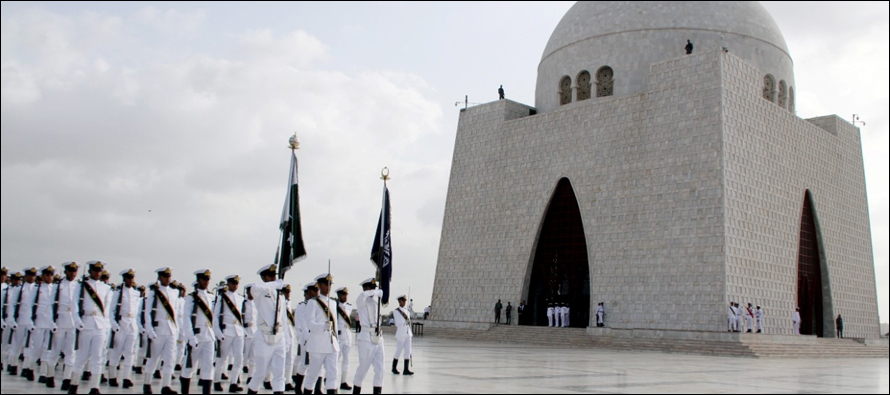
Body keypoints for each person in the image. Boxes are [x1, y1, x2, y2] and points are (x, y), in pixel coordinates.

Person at [69, 261, 113, 395]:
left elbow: (107, 308)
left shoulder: (106, 288)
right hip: (86, 323)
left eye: (100, 270)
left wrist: (106, 326)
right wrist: (77, 321)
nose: (98, 273)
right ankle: (74, 384)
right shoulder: (82, 286)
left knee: (98, 357)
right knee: (81, 356)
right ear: (90, 271)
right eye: (95, 270)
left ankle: (95, 387)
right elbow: (74, 304)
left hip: (100, 325)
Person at [247, 264, 288, 394]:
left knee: (279, 375)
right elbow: (254, 288)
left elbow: (284, 320)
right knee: (260, 373)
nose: (273, 278)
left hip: (279, 337)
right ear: (263, 277)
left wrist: (286, 340)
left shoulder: (280, 295)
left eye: (274, 276)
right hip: (263, 337)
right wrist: (274, 284)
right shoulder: (259, 291)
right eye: (270, 276)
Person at [143, 267, 181, 395]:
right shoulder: (154, 293)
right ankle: (147, 384)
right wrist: (149, 330)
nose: (167, 278)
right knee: (153, 358)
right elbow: (147, 313)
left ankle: (166, 385)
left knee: (170, 359)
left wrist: (177, 329)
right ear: (159, 277)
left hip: (171, 329)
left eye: (169, 276)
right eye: (164, 276)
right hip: (158, 329)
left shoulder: (174, 292)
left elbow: (175, 312)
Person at [180, 270, 216, 395]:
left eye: (208, 279)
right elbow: (186, 318)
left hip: (209, 336)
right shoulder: (191, 297)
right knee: (188, 368)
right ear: (198, 280)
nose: (206, 282)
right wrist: (190, 337)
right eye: (204, 279)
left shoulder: (211, 296)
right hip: (196, 336)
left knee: (208, 368)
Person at [303, 273, 340, 395]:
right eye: (325, 284)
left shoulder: (333, 303)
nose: (328, 287)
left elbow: (336, 324)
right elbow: (309, 324)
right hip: (318, 344)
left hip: (331, 344)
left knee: (332, 375)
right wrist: (323, 326)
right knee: (312, 375)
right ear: (319, 285)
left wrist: (336, 339)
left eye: (330, 284)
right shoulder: (313, 302)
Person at [46, 263, 79, 391]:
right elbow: (50, 306)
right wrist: (51, 322)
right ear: (65, 271)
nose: (72, 273)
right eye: (70, 271)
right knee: (55, 350)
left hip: (73, 321)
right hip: (60, 320)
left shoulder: (79, 286)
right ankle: (49, 375)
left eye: (74, 271)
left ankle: (67, 379)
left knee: (71, 352)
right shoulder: (58, 285)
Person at [107, 269, 141, 390]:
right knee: (116, 351)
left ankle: (127, 378)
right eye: (128, 278)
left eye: (132, 278)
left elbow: (136, 311)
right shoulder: (118, 293)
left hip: (132, 324)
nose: (131, 280)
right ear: (124, 279)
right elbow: (111, 311)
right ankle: (112, 376)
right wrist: (114, 325)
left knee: (130, 353)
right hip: (121, 324)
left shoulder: (136, 293)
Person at [352, 278, 385, 395]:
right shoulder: (361, 300)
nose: (373, 290)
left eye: (374, 288)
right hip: (366, 338)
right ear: (365, 288)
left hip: (378, 337)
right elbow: (364, 294)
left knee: (380, 369)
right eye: (370, 288)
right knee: (363, 369)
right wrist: (377, 292)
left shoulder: (376, 304)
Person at [23, 266, 55, 385]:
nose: (49, 277)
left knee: (47, 349)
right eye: (47, 275)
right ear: (42, 276)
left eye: (51, 275)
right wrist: (30, 322)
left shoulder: (55, 289)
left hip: (50, 323)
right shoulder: (36, 289)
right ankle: (30, 368)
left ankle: (43, 374)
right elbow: (28, 307)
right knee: (36, 348)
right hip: (38, 323)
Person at [213, 275, 245, 393]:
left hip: (238, 331)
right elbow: (215, 317)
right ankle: (216, 381)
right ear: (228, 284)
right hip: (226, 331)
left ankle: (234, 383)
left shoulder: (241, 298)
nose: (235, 285)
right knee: (221, 358)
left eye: (237, 283)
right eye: (233, 283)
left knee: (238, 359)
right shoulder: (222, 298)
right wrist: (218, 332)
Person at [6, 267, 37, 379]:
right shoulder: (19, 289)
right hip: (20, 321)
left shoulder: (37, 289)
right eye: (30, 275)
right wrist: (11, 320)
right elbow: (12, 305)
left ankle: (26, 368)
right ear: (26, 276)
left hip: (32, 322)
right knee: (17, 345)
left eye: (34, 275)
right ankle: (13, 366)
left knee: (30, 346)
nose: (32, 277)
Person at [335, 287, 354, 391]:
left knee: (346, 359)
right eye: (343, 294)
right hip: (339, 334)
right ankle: (329, 377)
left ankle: (344, 381)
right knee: (335, 358)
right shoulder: (334, 306)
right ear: (339, 295)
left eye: (346, 294)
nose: (345, 296)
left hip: (347, 334)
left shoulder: (349, 307)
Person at [391, 295, 413, 376]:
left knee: (408, 351)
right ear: (399, 301)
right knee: (398, 351)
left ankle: (406, 369)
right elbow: (398, 323)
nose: (404, 302)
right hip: (401, 334)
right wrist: (405, 322)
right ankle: (394, 368)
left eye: (405, 301)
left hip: (408, 333)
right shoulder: (396, 311)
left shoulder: (407, 311)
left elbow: (409, 323)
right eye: (402, 301)